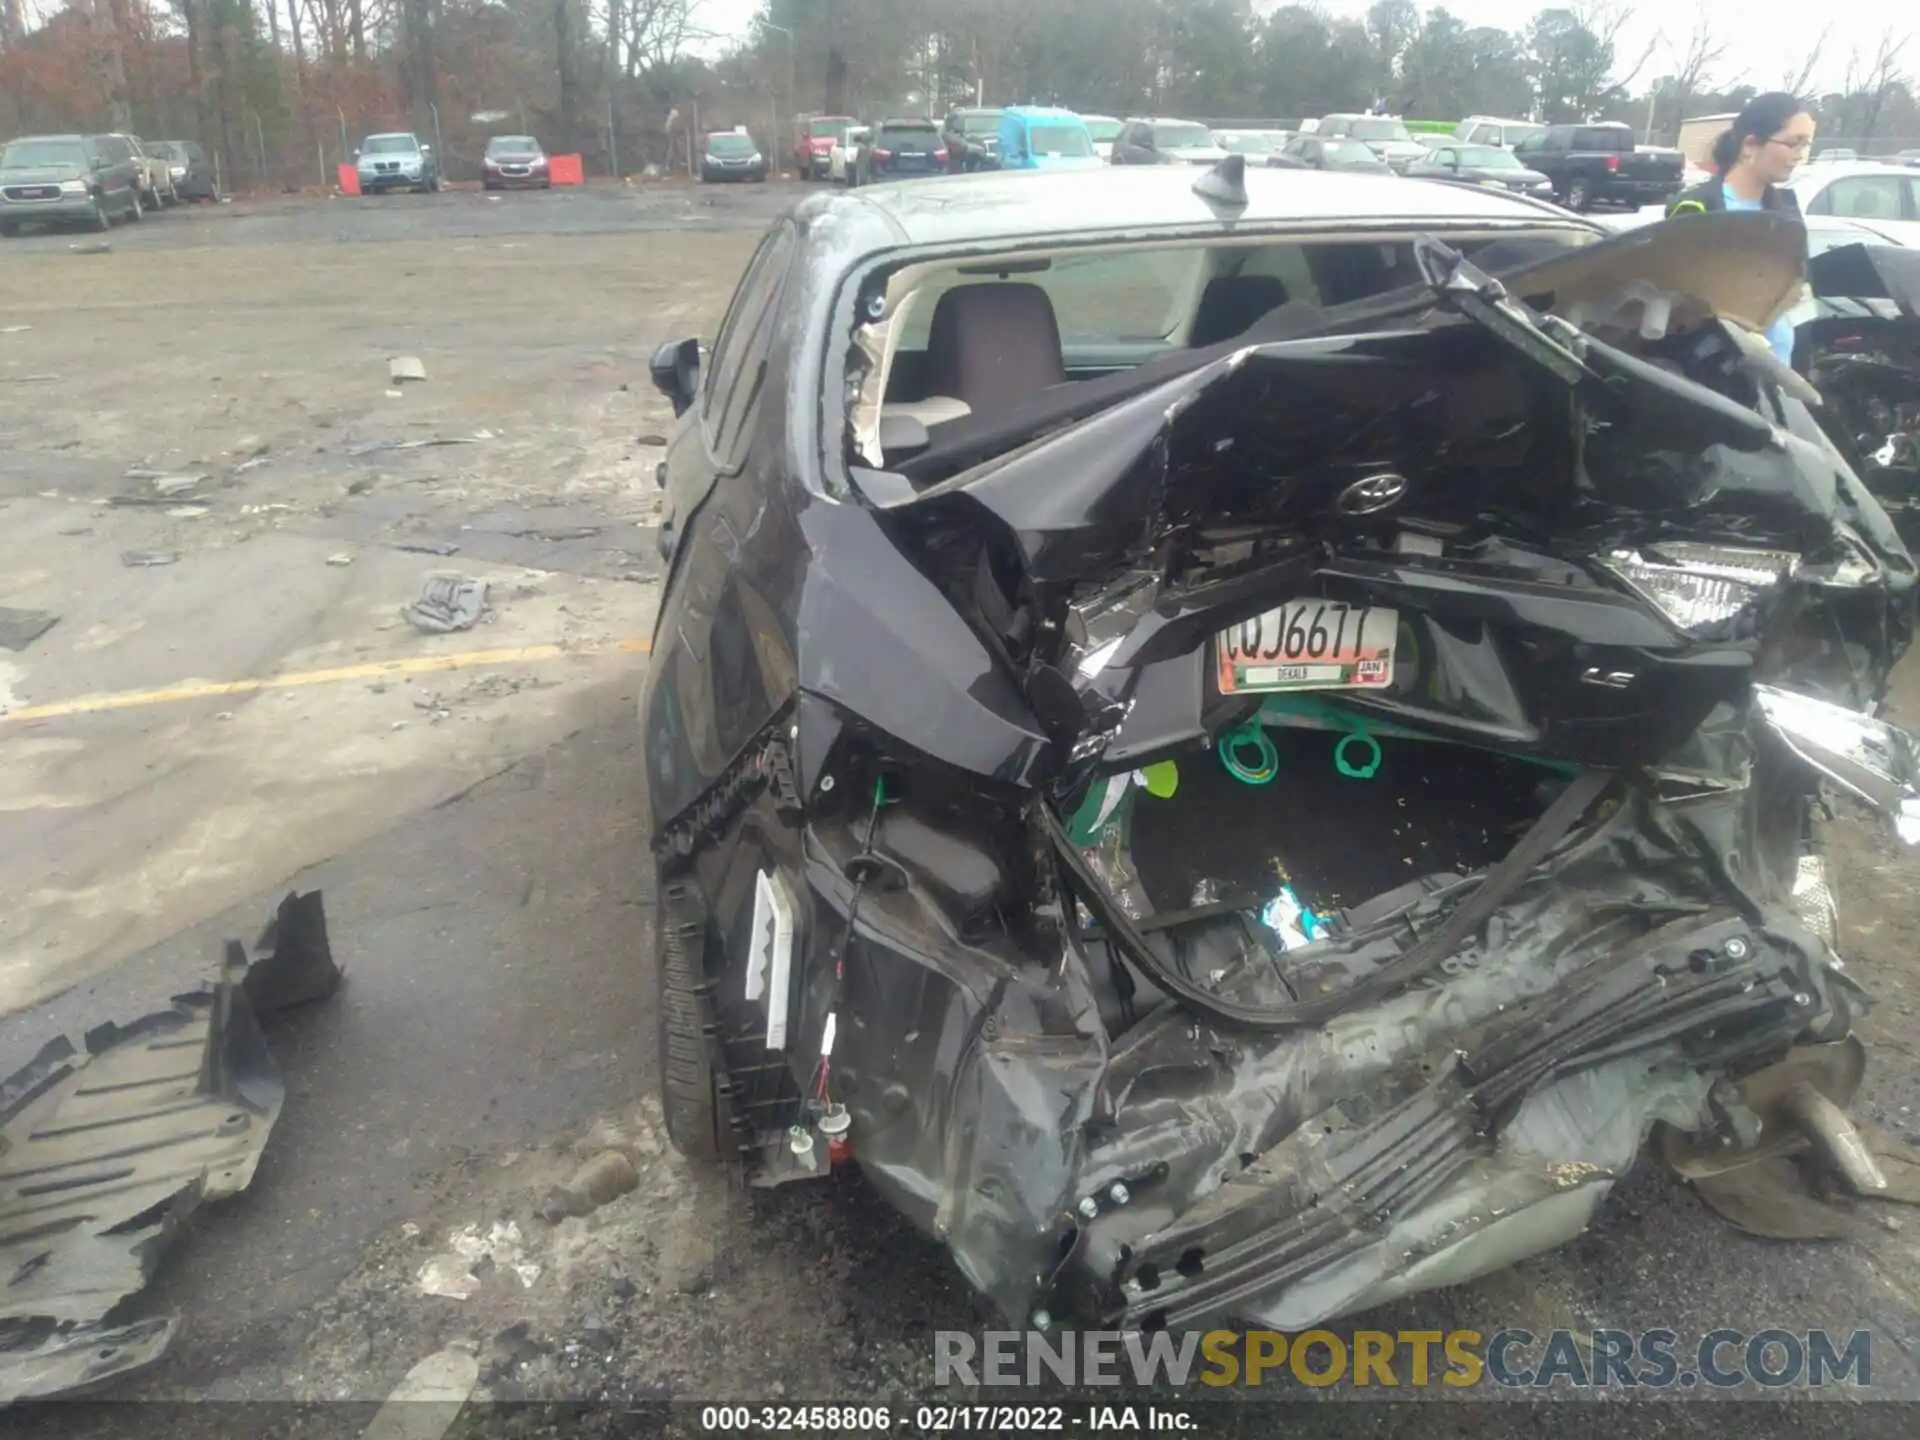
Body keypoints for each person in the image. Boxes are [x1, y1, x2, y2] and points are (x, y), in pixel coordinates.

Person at [1666, 92, 1816, 367]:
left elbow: (1798, 294)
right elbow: (1676, 303)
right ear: (1750, 145)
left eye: (1805, 146)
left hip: (1780, 378)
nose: (1798, 156)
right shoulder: (1696, 207)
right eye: (1793, 144)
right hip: (1716, 377)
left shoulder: (1787, 210)